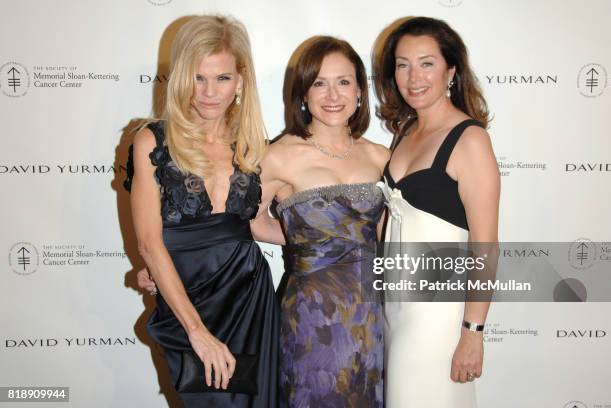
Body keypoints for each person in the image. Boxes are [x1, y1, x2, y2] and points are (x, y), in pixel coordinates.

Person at [124, 15, 278, 407]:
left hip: (249, 300)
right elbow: (148, 241)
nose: (209, 92)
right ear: (180, 78)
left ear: (241, 81)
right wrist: (197, 331)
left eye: (222, 78)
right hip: (186, 301)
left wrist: (327, 247)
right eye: (198, 77)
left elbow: (259, 224)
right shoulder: (152, 141)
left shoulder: (254, 146)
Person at [373, 17, 500, 407]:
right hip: (394, 308)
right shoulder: (406, 132)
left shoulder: (470, 139)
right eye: (402, 64)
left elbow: (486, 246)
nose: (414, 77)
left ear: (451, 70)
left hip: (437, 318)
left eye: (427, 63)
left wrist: (472, 333)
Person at [258, 36, 389, 408]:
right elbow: (249, 224)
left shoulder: (380, 157)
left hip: (369, 315)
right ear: (303, 92)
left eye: (344, 82)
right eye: (319, 83)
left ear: (361, 92)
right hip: (311, 318)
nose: (333, 95)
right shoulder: (279, 156)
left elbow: (387, 235)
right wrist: (311, 247)